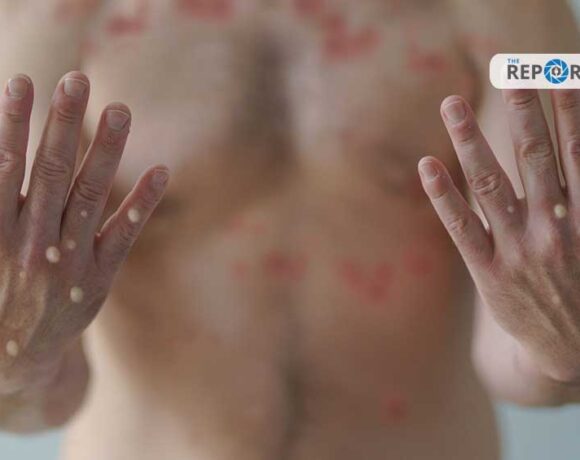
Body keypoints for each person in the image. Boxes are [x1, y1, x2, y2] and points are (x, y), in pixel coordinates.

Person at [0, 1, 578, 458]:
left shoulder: (512, 11)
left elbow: (531, 342)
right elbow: (37, 395)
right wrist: (14, 363)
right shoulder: (44, 17)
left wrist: (562, 353)